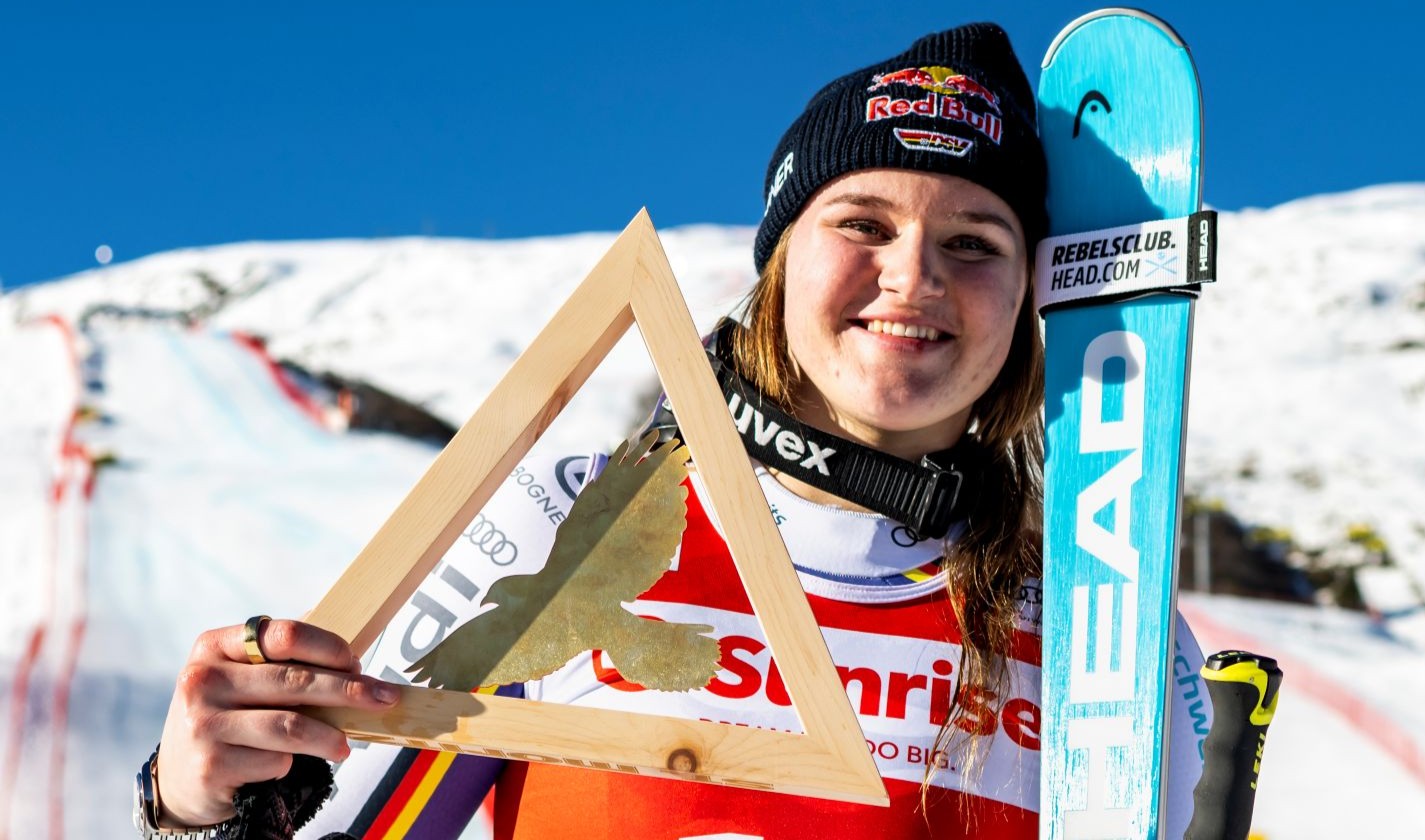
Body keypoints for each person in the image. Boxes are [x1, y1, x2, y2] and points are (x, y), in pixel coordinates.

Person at [138, 22, 1211, 840]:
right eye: (861, 223)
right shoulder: (578, 522)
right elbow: (320, 819)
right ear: (779, 265)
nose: (914, 277)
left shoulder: (1103, 623)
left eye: (975, 242)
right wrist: (199, 799)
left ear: (1028, 299)